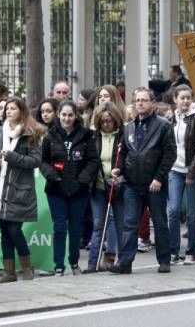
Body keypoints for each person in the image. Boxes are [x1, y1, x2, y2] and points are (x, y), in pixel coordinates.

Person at [109, 88, 176, 274]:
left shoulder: (163, 126)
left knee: (160, 223)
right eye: (137, 100)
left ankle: (164, 260)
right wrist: (119, 168)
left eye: (144, 100)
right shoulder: (128, 126)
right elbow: (123, 153)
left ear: (152, 103)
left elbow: (170, 155)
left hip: (154, 184)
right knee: (130, 223)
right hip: (132, 183)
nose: (140, 103)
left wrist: (159, 178)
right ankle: (125, 262)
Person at [0, 97, 44, 283]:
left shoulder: (30, 133)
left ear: (21, 111)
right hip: (0, 189)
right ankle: (8, 272)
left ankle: (27, 267)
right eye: (7, 109)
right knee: (4, 231)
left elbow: (35, 161)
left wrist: (13, 157)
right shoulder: (0, 132)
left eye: (13, 108)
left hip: (19, 191)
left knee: (14, 230)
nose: (8, 111)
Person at [40, 101, 99, 276]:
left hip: (78, 190)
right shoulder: (49, 135)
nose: (67, 118)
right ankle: (59, 265)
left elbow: (93, 161)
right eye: (64, 115)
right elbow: (43, 161)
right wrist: (53, 175)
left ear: (76, 116)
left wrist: (82, 180)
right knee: (59, 227)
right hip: (56, 189)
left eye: (70, 115)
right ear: (59, 115)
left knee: (75, 229)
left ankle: (73, 262)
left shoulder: (87, 136)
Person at [83, 102, 125, 273]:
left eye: (110, 121)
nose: (107, 124)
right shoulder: (93, 137)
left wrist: (120, 170)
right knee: (99, 224)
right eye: (103, 121)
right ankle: (93, 264)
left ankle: (123, 262)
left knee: (122, 225)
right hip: (99, 186)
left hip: (118, 186)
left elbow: (128, 158)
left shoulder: (123, 136)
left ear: (115, 120)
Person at [168, 85, 195, 265]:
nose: (185, 101)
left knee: (192, 213)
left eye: (188, 98)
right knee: (173, 210)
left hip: (193, 171)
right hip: (175, 170)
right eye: (182, 98)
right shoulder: (171, 118)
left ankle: (192, 250)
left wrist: (191, 171)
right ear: (175, 99)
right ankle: (174, 250)